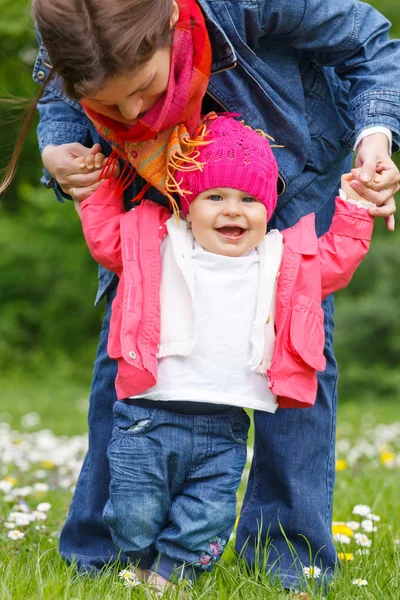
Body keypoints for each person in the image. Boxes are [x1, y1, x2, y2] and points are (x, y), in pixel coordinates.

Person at [5, 0, 399, 589]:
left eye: (143, 87)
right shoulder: (69, 19)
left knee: (295, 346)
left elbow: (367, 39)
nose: (135, 112)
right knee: (133, 337)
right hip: (145, 178)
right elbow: (62, 96)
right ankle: (104, 552)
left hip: (282, 173)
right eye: (109, 104)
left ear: (169, 22)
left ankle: (286, 558)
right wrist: (57, 148)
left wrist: (375, 137)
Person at [78, 114, 378, 591]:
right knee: (133, 511)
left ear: (269, 208)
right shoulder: (159, 243)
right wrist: (97, 190)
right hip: (146, 419)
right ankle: (136, 554)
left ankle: (173, 571)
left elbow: (337, 262)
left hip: (225, 427)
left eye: (249, 200)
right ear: (187, 206)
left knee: (209, 513)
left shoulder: (281, 260)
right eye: (214, 197)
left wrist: (356, 206)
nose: (232, 210)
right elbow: (104, 239)